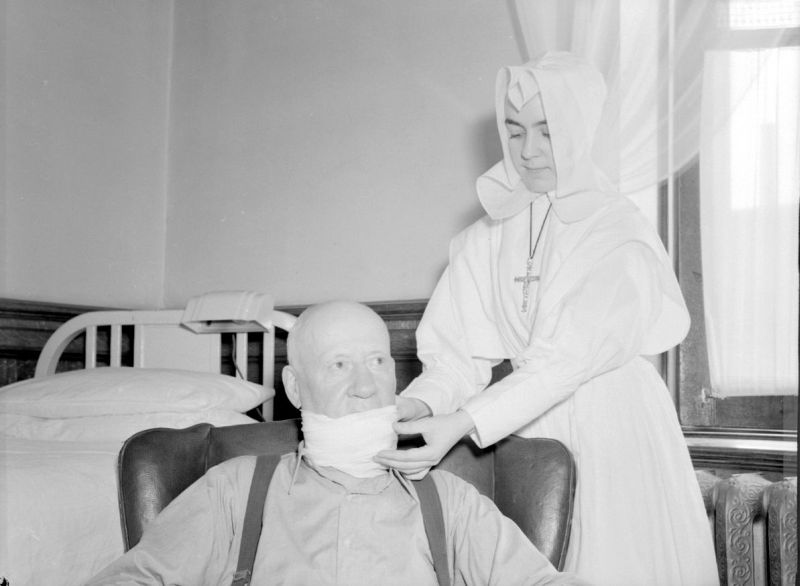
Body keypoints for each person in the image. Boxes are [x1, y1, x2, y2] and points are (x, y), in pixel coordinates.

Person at [374, 52, 719, 586]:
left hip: (613, 427)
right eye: (514, 132)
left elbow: (565, 362)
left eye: (546, 132)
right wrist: (412, 407)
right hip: (522, 429)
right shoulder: (485, 235)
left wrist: (463, 423)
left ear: (579, 131)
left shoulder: (618, 232)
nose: (527, 151)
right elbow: (456, 359)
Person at [86, 300, 584, 586]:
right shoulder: (234, 491)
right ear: (296, 387)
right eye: (340, 365)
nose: (366, 385)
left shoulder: (450, 503)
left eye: (378, 362)